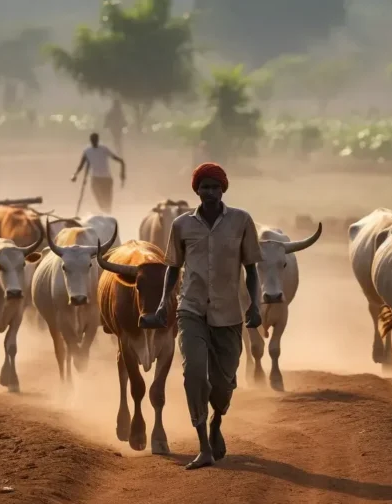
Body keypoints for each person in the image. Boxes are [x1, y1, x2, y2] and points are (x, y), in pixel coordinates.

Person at [139, 162, 263, 470]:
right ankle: (203, 445)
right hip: (190, 308)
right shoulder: (182, 225)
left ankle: (216, 422)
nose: (210, 192)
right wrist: (163, 302)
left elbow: (251, 269)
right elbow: (172, 268)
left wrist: (255, 305)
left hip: (229, 313)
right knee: (194, 372)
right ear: (197, 190)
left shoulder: (242, 221)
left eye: (215, 187)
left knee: (224, 384)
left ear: (223, 189)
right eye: (204, 187)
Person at [71, 132, 126, 214]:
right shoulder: (87, 151)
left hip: (106, 178)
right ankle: (104, 212)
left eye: (96, 140)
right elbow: (81, 165)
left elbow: (120, 161)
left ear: (98, 140)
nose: (94, 142)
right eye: (93, 140)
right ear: (90, 141)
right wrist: (75, 175)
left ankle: (108, 215)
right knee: (99, 199)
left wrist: (122, 174)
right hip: (95, 178)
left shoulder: (104, 149)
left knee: (107, 200)